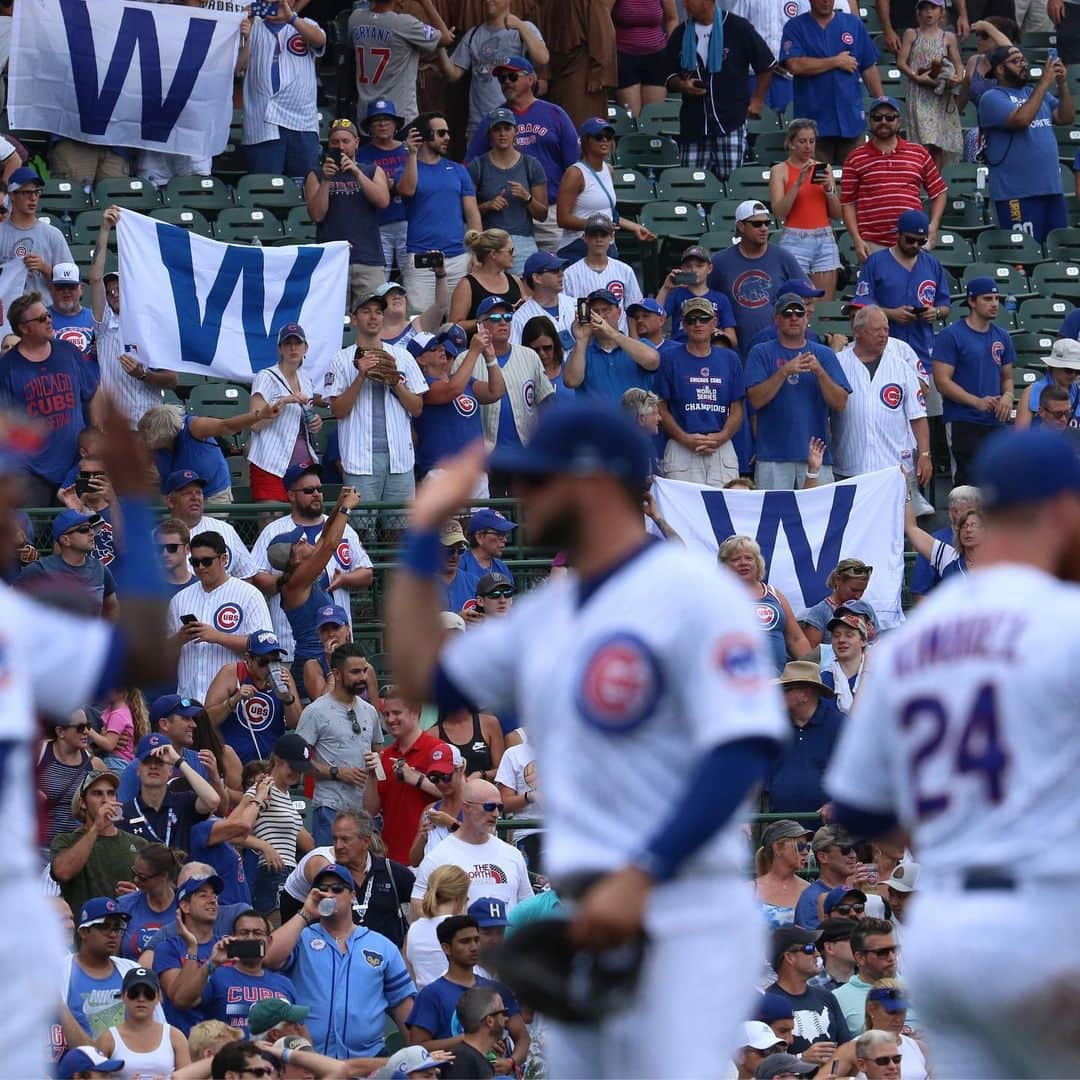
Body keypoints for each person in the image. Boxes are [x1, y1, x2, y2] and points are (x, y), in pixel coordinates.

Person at [386, 401, 789, 1078]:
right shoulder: (551, 612)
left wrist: (644, 873)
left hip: (678, 902)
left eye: (538, 479)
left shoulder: (693, 592)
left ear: (594, 483)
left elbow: (742, 751)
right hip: (589, 911)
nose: (521, 496)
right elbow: (421, 672)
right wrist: (424, 528)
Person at [264, 863, 417, 1059]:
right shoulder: (301, 938)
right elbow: (269, 958)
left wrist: (416, 1054)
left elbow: (403, 1003)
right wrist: (305, 913)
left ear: (353, 896)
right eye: (322, 890)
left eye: (337, 889)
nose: (329, 895)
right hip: (310, 1059)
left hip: (368, 1061)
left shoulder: (382, 945)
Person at [249, 462, 373, 667]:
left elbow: (324, 537)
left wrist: (336, 508)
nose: (305, 540)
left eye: (319, 489)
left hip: (322, 654)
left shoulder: (296, 571)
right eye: (299, 542)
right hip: (311, 661)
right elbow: (329, 545)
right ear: (295, 559)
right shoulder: (298, 579)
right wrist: (346, 508)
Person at [327, 292, 428, 534]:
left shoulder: (402, 356)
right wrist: (361, 376)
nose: (373, 317)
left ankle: (396, 574)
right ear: (354, 319)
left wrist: (395, 381)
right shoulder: (341, 359)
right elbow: (338, 410)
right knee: (360, 532)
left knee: (401, 532)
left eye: (378, 312)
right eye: (366, 311)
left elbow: (417, 408)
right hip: (360, 460)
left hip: (400, 459)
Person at [464, 56, 580, 255]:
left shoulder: (554, 113)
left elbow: (576, 167)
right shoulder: (493, 120)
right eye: (502, 79)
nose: (506, 82)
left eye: (512, 76)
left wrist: (568, 207)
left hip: (550, 210)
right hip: (506, 214)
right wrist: (482, 206)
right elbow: (468, 166)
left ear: (530, 79)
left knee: (552, 274)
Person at [746, 291, 851, 489]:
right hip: (772, 456)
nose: (793, 318)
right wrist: (784, 371)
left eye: (798, 313)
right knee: (773, 517)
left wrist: (820, 372)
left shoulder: (824, 354)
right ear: (777, 319)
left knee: (818, 517)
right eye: (787, 313)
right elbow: (754, 400)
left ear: (807, 317)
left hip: (816, 455)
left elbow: (840, 403)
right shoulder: (761, 352)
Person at [662, 0, 775, 181]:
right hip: (694, 124)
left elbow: (766, 65)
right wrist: (682, 85)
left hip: (730, 121)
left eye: (690, 0)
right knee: (692, 184)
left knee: (731, 183)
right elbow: (668, 74)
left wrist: (757, 101)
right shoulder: (681, 33)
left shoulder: (738, 28)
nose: (684, 5)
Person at [0, 292, 94, 507]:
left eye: (48, 315)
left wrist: (93, 441)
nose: (49, 320)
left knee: (76, 530)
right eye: (42, 318)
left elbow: (90, 395)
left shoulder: (69, 352)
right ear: (25, 328)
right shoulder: (7, 369)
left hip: (74, 465)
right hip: (30, 472)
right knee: (35, 533)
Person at [406, 915, 529, 1072]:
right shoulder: (431, 994)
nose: (474, 947)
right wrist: (470, 1039)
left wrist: (511, 1062)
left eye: (476, 940)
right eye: (465, 942)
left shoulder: (498, 990)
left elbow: (523, 1036)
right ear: (446, 948)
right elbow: (418, 1049)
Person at [832, 305, 932, 492]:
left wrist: (925, 454)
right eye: (876, 330)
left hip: (895, 468)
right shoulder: (839, 363)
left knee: (898, 521)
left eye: (886, 329)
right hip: (850, 465)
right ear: (858, 332)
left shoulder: (901, 366)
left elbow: (918, 416)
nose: (883, 335)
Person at [167, 532, 274, 705]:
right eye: (195, 562)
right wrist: (180, 638)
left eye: (207, 561)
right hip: (189, 699)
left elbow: (265, 646)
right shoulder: (180, 599)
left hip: (235, 698)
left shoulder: (249, 594)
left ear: (223, 559)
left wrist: (217, 637)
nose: (201, 567)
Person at [979, 45, 1073, 240]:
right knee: (1025, 253)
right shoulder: (992, 97)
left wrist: (1062, 84)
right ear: (1000, 70)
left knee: (1056, 253)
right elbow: (1021, 120)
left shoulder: (1035, 92)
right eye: (1016, 61)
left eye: (1024, 60)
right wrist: (1045, 83)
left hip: (1051, 189)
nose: (1023, 65)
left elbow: (1065, 117)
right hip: (1016, 193)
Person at [295, 644, 383, 845]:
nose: (362, 677)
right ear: (336, 673)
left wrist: (376, 764)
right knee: (332, 871)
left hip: (365, 813)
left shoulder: (370, 711)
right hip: (330, 809)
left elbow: (380, 754)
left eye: (364, 671)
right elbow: (297, 760)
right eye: (355, 672)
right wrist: (336, 772)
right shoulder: (315, 711)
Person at [932, 276, 1015, 486]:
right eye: (988, 298)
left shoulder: (1002, 336)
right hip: (963, 419)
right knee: (966, 485)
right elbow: (942, 381)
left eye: (997, 298)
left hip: (995, 420)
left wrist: (1008, 395)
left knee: (998, 483)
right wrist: (976, 401)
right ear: (971, 301)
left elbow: (1007, 377)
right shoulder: (951, 335)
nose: (994, 303)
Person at [840, 100, 948, 260]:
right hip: (873, 245)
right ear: (869, 121)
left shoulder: (918, 153)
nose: (883, 122)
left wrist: (933, 226)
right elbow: (847, 203)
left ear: (899, 121)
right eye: (877, 118)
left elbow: (939, 191)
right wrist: (857, 239)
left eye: (890, 118)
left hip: (913, 242)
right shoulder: (855, 157)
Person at [654, 297, 745, 486]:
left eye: (704, 319)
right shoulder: (669, 358)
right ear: (683, 325)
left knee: (727, 508)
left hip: (720, 445)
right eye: (691, 319)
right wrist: (684, 438)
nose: (698, 324)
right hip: (681, 446)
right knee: (681, 513)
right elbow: (661, 407)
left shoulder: (730, 359)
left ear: (714, 323)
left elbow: (737, 408)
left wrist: (723, 436)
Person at [779, 0, 883, 164]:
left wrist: (881, 102)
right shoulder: (795, 27)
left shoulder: (852, 23)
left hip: (851, 123)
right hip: (814, 130)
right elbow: (795, 64)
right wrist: (836, 62)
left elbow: (869, 67)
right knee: (818, 183)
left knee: (853, 184)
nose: (826, 1)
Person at [304, 118, 391, 311]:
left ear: (356, 142)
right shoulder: (315, 174)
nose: (340, 147)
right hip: (332, 262)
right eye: (335, 142)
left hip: (368, 259)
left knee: (373, 316)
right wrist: (327, 179)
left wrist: (357, 173)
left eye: (345, 141)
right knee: (332, 318)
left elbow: (383, 201)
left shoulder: (371, 170)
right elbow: (317, 215)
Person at [410, 779, 531, 914]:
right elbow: (418, 906)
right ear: (467, 807)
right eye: (489, 807)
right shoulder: (438, 856)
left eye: (500, 808)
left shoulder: (513, 855)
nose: (496, 814)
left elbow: (528, 907)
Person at [398, 113, 482, 309]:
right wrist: (411, 153)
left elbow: (472, 214)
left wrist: (478, 252)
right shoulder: (407, 169)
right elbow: (407, 190)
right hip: (421, 258)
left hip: (459, 258)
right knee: (421, 322)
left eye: (448, 133)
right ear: (424, 136)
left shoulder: (458, 170)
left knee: (456, 323)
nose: (448, 138)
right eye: (441, 133)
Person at [237, 3, 326, 178]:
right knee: (265, 190)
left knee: (306, 188)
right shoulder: (252, 26)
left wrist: (291, 18)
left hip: (302, 122)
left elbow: (320, 40)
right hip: (262, 123)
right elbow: (239, 66)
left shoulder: (305, 24)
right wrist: (246, 38)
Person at [707, 201, 805, 355]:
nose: (764, 228)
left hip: (777, 348)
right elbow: (704, 296)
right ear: (741, 226)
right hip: (735, 350)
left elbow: (807, 294)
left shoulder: (783, 257)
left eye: (767, 223)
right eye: (757, 224)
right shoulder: (720, 261)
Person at [63, 897, 167, 1039]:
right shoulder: (60, 971)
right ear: (84, 932)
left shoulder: (132, 970)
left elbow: (158, 1023)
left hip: (130, 1058)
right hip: (78, 1059)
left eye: (117, 928)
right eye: (104, 927)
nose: (113, 934)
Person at [441, 3, 549, 139]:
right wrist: (440, 47)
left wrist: (520, 26)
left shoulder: (523, 28)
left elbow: (542, 58)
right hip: (479, 124)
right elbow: (454, 74)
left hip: (514, 123)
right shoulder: (474, 34)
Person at [51, 770, 149, 917]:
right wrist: (96, 828)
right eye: (97, 794)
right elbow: (62, 872)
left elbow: (159, 890)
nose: (105, 800)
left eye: (111, 793)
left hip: (125, 931)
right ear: (83, 803)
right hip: (85, 932)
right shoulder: (66, 840)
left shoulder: (139, 843)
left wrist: (138, 893)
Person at [141, 403, 280, 505]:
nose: (145, 439)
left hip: (213, 493)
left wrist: (259, 415)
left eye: (148, 436)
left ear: (164, 434)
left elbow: (227, 426)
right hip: (176, 496)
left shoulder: (194, 427)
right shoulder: (152, 446)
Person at [555, 120, 655, 260]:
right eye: (598, 136)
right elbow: (563, 219)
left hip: (607, 246)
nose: (604, 140)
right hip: (578, 247)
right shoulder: (575, 173)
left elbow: (608, 212)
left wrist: (635, 227)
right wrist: (598, 225)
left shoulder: (609, 169)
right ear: (585, 141)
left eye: (608, 136)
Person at [245, 324, 322, 504]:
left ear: (306, 348)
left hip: (302, 462)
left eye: (298, 343)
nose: (293, 348)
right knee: (272, 521)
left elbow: (304, 420)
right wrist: (283, 402)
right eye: (287, 343)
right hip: (270, 462)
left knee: (304, 520)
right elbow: (254, 423)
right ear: (280, 348)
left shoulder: (306, 379)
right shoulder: (266, 376)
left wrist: (316, 422)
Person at [466, 108, 548, 274]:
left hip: (522, 242)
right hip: (489, 242)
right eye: (497, 129)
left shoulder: (531, 165)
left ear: (515, 132)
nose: (502, 134)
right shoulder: (478, 166)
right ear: (490, 134)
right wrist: (488, 205)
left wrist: (527, 197)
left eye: (507, 129)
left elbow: (542, 214)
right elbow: (465, 212)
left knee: (524, 295)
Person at [469, 297, 554, 454]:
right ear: (480, 326)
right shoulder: (465, 360)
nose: (503, 322)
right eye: (495, 318)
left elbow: (546, 402)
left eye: (507, 317)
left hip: (525, 453)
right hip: (484, 457)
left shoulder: (529, 355)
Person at [347, 0, 452, 127]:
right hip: (398, 116)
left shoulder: (355, 18)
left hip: (366, 115)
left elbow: (351, 45)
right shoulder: (405, 23)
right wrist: (426, 4)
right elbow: (446, 38)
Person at [770, 119, 843, 300]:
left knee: (824, 303)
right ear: (791, 143)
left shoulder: (824, 168)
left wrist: (829, 190)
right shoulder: (780, 170)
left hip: (824, 237)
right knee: (796, 300)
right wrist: (797, 184)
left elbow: (836, 214)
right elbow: (779, 212)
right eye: (802, 141)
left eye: (812, 141)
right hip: (795, 239)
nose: (808, 146)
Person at [200, 910, 300, 1036]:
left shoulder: (285, 983)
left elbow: (300, 1030)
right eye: (244, 933)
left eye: (257, 933)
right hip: (229, 1054)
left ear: (268, 942)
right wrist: (212, 962)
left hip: (273, 1054)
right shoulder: (216, 975)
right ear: (232, 938)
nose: (251, 938)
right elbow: (184, 1000)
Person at [117, 734, 221, 855]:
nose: (153, 766)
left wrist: (179, 761)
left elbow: (213, 801)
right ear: (138, 770)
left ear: (171, 771)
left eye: (160, 762)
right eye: (147, 761)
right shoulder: (125, 813)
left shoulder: (184, 802)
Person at [765, 661, 844, 815]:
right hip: (781, 829)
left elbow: (858, 775)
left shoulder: (839, 725)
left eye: (785, 689)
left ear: (805, 694)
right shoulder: (774, 727)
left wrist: (838, 804)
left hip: (829, 831)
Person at [765, 926, 851, 1062]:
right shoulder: (765, 1003)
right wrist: (801, 1058)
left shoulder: (826, 997)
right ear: (789, 957)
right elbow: (759, 1061)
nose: (817, 954)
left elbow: (847, 1048)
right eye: (809, 949)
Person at [896, 0, 964, 167]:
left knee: (938, 144)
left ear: (941, 11)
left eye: (933, 8)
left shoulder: (948, 37)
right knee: (923, 143)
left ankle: (936, 185)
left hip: (940, 95)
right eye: (924, 8)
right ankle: (920, 183)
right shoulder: (912, 34)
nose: (928, 13)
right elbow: (901, 62)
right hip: (920, 94)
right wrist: (916, 77)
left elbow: (958, 64)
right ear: (918, 12)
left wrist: (957, 78)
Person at [564, 288, 661, 402]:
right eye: (595, 311)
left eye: (606, 310)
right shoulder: (582, 353)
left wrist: (611, 332)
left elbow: (653, 360)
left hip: (635, 419)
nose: (601, 316)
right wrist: (581, 339)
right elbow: (571, 381)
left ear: (619, 312)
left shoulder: (638, 345)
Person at [17, 510, 116, 618]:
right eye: (84, 529)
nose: (91, 532)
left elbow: (111, 606)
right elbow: (13, 601)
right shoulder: (40, 569)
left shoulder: (101, 569)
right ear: (65, 540)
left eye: (91, 528)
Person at [94, 967, 190, 1076]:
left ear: (158, 997)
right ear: (123, 996)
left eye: (148, 994)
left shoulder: (175, 1037)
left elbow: (189, 1077)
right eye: (134, 993)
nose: (141, 999)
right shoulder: (107, 1039)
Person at [355, 100, 412, 278]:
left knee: (412, 276)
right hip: (376, 223)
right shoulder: (361, 154)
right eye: (376, 120)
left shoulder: (408, 150)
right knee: (380, 278)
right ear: (369, 127)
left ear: (395, 124)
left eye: (387, 119)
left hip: (407, 220)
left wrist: (395, 186)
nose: (382, 124)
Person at [538, 0, 618, 128]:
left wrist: (598, 70)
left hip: (581, 68)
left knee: (582, 126)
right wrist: (543, 72)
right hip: (555, 69)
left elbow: (603, 32)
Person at [0, 167, 74, 295]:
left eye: (37, 192)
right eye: (26, 192)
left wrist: (45, 268)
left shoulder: (53, 234)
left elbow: (71, 283)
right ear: (12, 195)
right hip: (8, 310)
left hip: (46, 310)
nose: (33, 198)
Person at [41, 716, 107, 847]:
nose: (86, 732)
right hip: (39, 851)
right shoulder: (39, 754)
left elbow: (109, 806)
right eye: (80, 727)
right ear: (60, 732)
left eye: (88, 726)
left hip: (76, 850)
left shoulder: (95, 765)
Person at [831, 918, 902, 1034]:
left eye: (893, 949)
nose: (891, 957)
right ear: (860, 958)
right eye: (882, 952)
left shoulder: (917, 987)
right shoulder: (837, 999)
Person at [405, 865, 472, 989]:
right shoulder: (462, 929)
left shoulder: (413, 930)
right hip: (459, 1002)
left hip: (424, 1001)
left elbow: (409, 975)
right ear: (460, 897)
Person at [656, 245, 738, 343]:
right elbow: (654, 321)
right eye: (688, 266)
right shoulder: (676, 294)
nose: (694, 270)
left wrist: (711, 330)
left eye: (699, 266)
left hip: (711, 349)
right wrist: (665, 288)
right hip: (680, 348)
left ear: (709, 268)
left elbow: (733, 340)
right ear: (681, 268)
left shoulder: (721, 299)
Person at [448, 228, 524, 334]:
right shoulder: (467, 285)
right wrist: (487, 320)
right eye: (510, 250)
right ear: (493, 254)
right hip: (479, 347)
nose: (514, 255)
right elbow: (453, 326)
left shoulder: (515, 281)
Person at [613, 0, 679, 117]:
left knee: (653, 118)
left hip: (656, 57)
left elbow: (672, 19)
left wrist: (671, 51)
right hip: (624, 57)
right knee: (631, 119)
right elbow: (603, 17)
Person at [796, 558, 878, 650]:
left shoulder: (867, 609)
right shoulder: (819, 612)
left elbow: (879, 644)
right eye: (853, 590)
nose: (858, 595)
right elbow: (811, 655)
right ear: (838, 580)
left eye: (862, 590)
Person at [437, 985, 507, 1079]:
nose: (506, 1018)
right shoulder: (462, 1060)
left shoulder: (472, 1057)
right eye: (503, 1013)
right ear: (490, 1021)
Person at [753, 820, 812, 928]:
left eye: (807, 847)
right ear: (777, 848)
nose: (805, 852)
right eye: (799, 846)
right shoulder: (750, 890)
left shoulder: (809, 890)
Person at [510, 255, 576, 351]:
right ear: (537, 278)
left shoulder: (576, 305)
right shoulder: (520, 318)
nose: (561, 274)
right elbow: (517, 356)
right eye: (554, 270)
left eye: (561, 269)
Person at [1016, 337, 1080, 428]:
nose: (1073, 375)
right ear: (1053, 366)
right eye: (1068, 370)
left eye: (1078, 371)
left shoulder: (1078, 392)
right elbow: (1020, 435)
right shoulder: (1031, 392)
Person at [47, 262, 97, 375]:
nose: (66, 292)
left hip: (93, 388)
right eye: (60, 287)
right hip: (55, 388)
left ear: (81, 289)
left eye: (71, 287)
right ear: (51, 289)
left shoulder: (95, 318)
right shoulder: (41, 318)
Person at [820, 610, 870, 713]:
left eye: (849, 635)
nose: (841, 640)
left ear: (863, 641)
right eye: (836, 635)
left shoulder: (878, 677)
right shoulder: (822, 681)